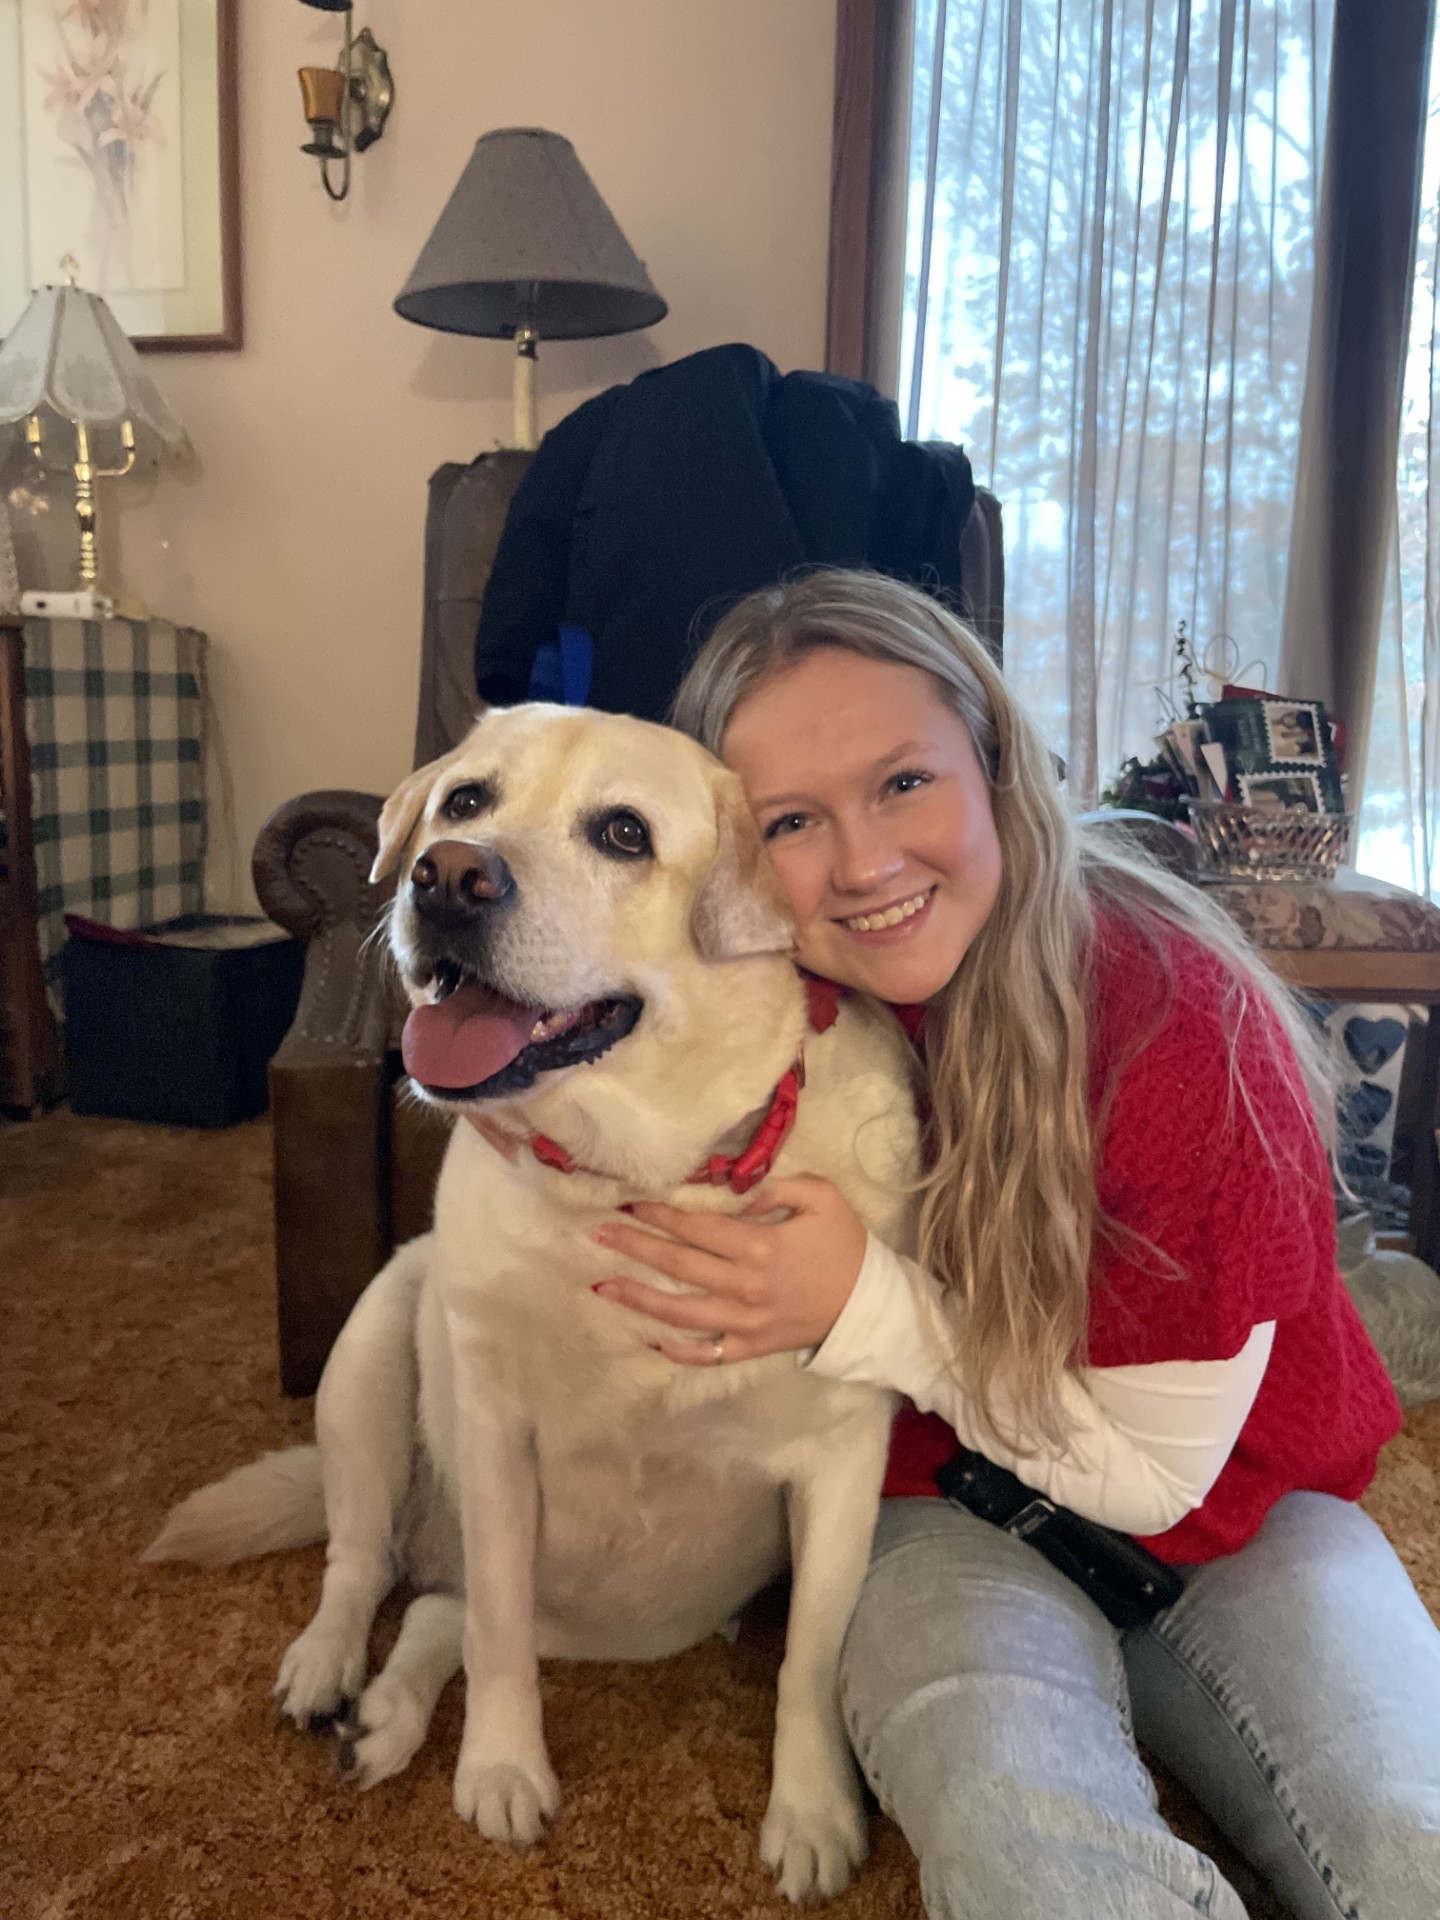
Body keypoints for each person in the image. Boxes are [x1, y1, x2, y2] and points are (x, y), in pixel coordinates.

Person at [585, 570, 1440, 1920]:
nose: (864, 863)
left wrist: (858, 1301)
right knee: (1033, 1851)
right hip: (937, 1503)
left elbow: (1156, 1478)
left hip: (1240, 1501)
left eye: (906, 784)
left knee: (1417, 1841)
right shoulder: (739, 1004)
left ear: (996, 767)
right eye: (793, 820)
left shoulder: (1179, 1017)